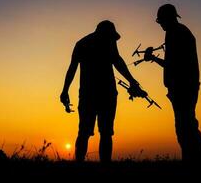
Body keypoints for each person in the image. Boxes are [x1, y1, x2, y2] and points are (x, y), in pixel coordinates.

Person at [60, 20, 147, 162]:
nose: (112, 40)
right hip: (101, 94)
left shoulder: (83, 43)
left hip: (94, 94)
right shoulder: (94, 43)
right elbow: (117, 61)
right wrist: (65, 91)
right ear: (104, 33)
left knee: (92, 132)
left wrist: (65, 91)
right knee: (97, 133)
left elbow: (117, 61)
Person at [144, 4, 201, 162]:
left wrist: (153, 58)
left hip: (183, 87)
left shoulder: (176, 34)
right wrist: (154, 58)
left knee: (186, 128)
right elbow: (173, 63)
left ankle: (196, 160)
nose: (161, 25)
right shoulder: (179, 32)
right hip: (183, 86)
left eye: (161, 22)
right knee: (187, 126)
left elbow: (174, 64)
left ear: (167, 19)